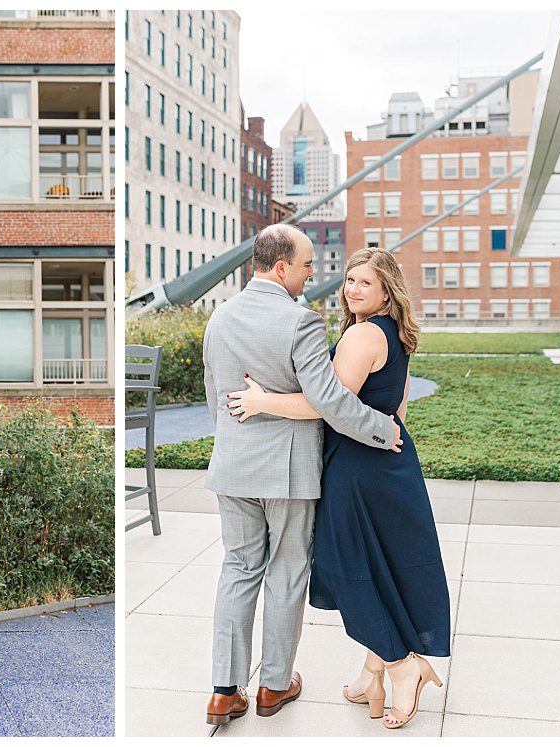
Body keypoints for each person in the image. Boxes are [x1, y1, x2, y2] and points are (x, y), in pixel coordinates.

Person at [227, 247, 450, 729]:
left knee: (350, 569)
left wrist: (262, 399)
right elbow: (399, 407)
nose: (352, 289)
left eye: (364, 283)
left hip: (356, 469)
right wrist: (390, 444)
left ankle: (402, 667)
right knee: (380, 566)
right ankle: (373, 675)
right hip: (389, 464)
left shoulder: (362, 335)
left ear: (386, 290)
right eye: (349, 279)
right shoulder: (395, 334)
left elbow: (326, 405)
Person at [202, 225, 401, 726]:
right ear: (282, 267)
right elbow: (329, 401)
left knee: (238, 570)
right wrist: (383, 429)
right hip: (288, 472)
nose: (314, 273)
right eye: (308, 264)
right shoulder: (301, 322)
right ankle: (273, 686)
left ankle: (224, 692)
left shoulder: (219, 317)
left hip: (232, 465)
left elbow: (214, 396)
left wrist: (233, 444)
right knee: (287, 572)